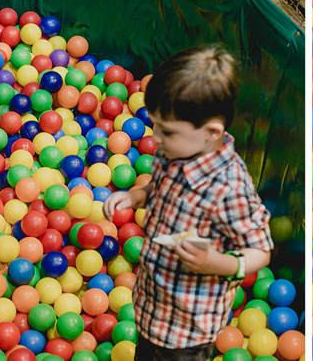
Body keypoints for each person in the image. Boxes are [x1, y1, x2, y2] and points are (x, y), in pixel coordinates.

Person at [102, 46, 273, 360]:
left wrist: (220, 264)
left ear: (211, 133)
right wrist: (137, 195)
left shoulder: (229, 186)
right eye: (155, 125)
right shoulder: (176, 150)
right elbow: (163, 184)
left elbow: (260, 250)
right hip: (152, 304)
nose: (155, 137)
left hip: (188, 330)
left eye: (166, 131)